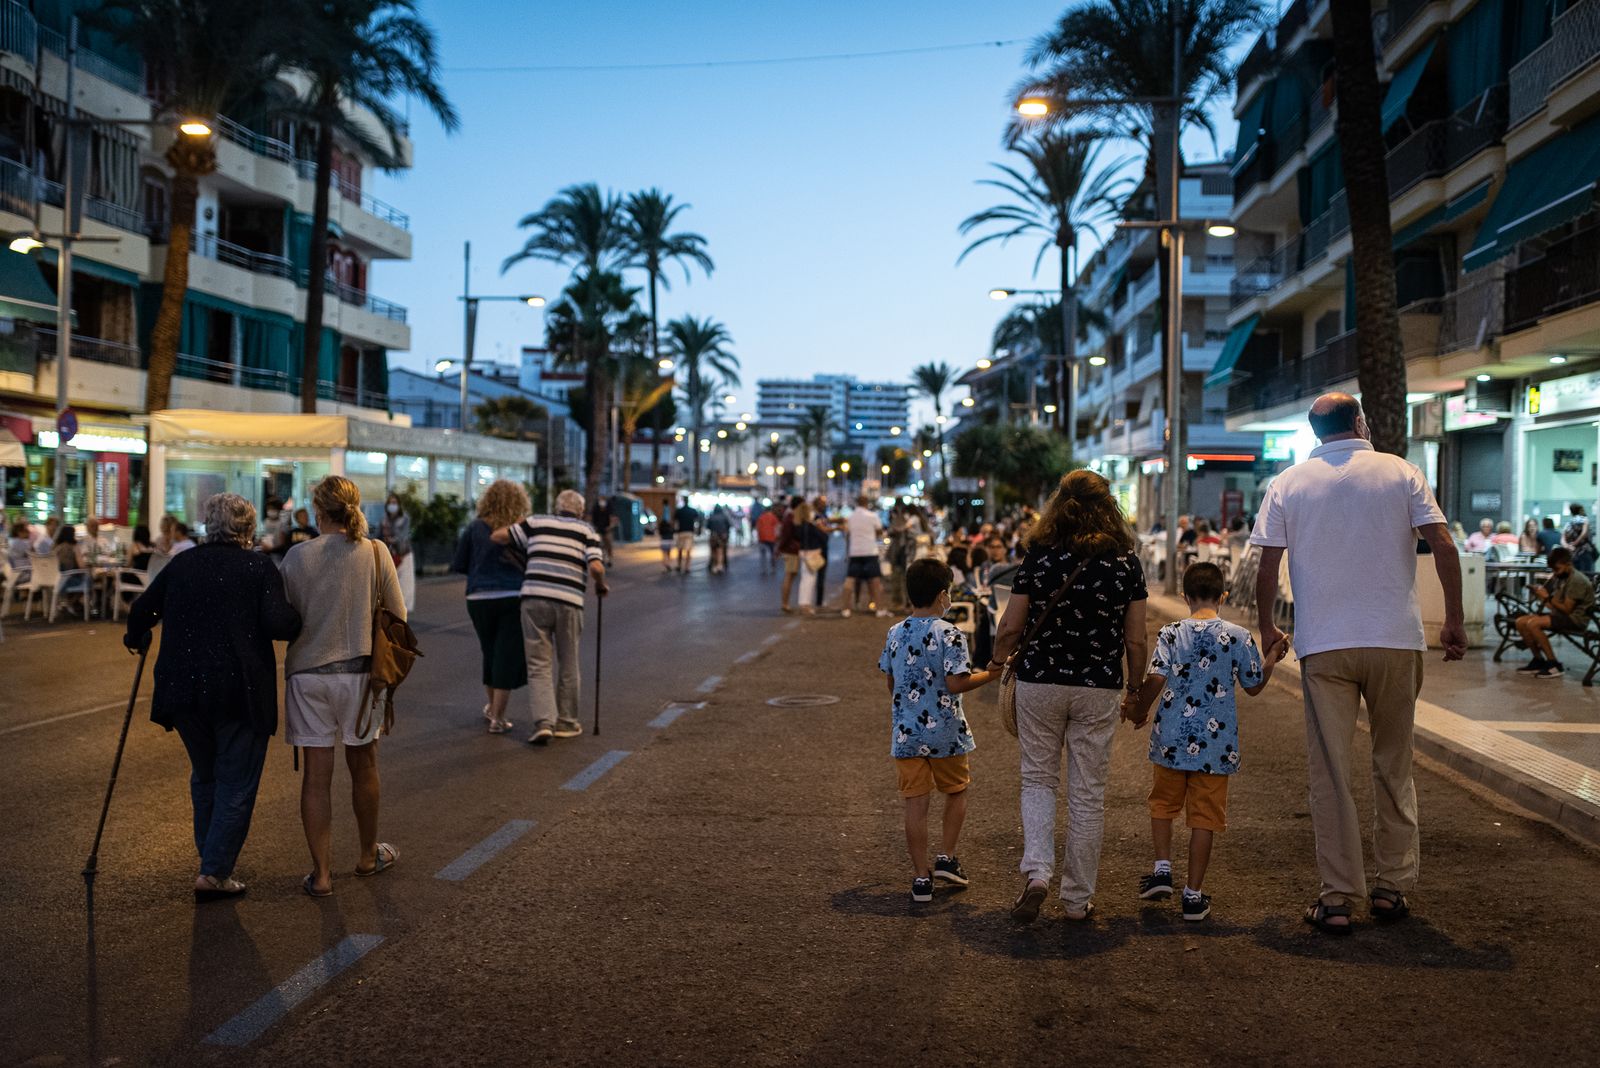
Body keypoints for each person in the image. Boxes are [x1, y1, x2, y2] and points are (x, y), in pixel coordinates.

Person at [1251, 393, 1464, 935]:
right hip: (1396, 640)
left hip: (1325, 644)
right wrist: (1454, 620)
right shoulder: (1401, 472)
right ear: (1361, 422)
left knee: (1331, 772)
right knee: (1394, 761)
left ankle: (1340, 897)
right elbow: (1442, 543)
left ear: (1315, 430)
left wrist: (1268, 627)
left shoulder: (1289, 482)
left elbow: (1267, 564)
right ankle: (1392, 887)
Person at [985, 469, 1149, 925]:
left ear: (1059, 504)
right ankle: (1077, 899)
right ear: (1109, 507)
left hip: (1040, 682)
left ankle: (1038, 873)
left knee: (1038, 779)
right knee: (1088, 795)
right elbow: (1136, 641)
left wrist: (999, 662)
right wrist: (1136, 691)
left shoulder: (1039, 556)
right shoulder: (1125, 563)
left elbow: (1010, 626)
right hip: (1097, 686)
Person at [124, 493, 302, 901]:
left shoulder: (183, 564)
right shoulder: (259, 567)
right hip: (239, 690)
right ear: (248, 528)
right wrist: (298, 619)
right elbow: (279, 623)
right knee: (237, 779)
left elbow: (142, 609)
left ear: (209, 524)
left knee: (205, 774)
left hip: (183, 690)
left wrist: (136, 637)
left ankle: (211, 859)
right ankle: (214, 870)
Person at [1122, 563, 1287, 921]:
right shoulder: (1238, 636)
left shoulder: (1171, 633)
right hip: (1215, 745)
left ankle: (1162, 869)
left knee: (1163, 804)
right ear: (1223, 596)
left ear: (1184, 596)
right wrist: (1271, 657)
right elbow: (1254, 685)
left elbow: (1155, 678)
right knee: (1204, 818)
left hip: (1170, 739)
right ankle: (1193, 896)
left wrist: (1138, 709)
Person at [280, 476, 406, 898]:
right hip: (362, 676)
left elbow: (284, 619)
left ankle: (321, 875)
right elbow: (398, 615)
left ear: (318, 510)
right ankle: (369, 856)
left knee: (316, 777)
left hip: (308, 675)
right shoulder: (374, 551)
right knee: (364, 767)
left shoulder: (296, 557)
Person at [879, 557, 996, 904]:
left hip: (906, 733)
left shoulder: (895, 632)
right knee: (956, 791)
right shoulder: (950, 633)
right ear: (943, 595)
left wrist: (908, 707)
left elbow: (891, 680)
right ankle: (946, 858)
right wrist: (992, 674)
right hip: (946, 732)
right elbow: (957, 682)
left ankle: (920, 878)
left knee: (914, 805)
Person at [492, 488, 607, 745]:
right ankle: (566, 722)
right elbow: (597, 566)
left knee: (538, 665)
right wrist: (600, 584)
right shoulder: (587, 530)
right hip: (569, 602)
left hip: (533, 598)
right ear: (579, 510)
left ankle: (544, 722)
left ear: (557, 507)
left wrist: (520, 524)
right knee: (568, 662)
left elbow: (499, 536)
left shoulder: (536, 522)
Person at [453, 480, 531, 733]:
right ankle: (498, 717)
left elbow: (460, 562)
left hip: (478, 598)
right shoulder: (520, 529)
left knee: (490, 652)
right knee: (506, 656)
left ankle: (492, 708)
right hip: (513, 596)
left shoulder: (475, 527)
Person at [1512, 547, 1595, 679]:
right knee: (1520, 622)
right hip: (1563, 616)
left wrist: (1546, 597)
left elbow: (1567, 609)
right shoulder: (1562, 578)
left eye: (1557, 569)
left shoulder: (1577, 580)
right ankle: (1538, 660)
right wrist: (1541, 595)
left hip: (1576, 619)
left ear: (1568, 564)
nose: (1555, 573)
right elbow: (1553, 606)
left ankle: (1553, 664)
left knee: (1533, 624)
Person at [841, 494, 889, 618]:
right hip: (870, 551)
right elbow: (879, 532)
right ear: (867, 503)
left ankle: (846, 609)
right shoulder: (872, 516)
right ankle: (879, 609)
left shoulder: (850, 517)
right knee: (875, 581)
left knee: (849, 580)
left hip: (855, 552)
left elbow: (847, 533)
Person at [378, 492, 415, 614]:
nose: (392, 505)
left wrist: (391, 538)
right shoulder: (384, 519)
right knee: (390, 586)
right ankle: (392, 610)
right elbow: (379, 536)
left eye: (394, 503)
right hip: (390, 556)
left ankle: (401, 613)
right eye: (390, 503)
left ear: (398, 505)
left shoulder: (404, 519)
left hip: (403, 555)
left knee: (404, 586)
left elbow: (402, 536)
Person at [794, 501, 829, 616]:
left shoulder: (799, 525)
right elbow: (823, 537)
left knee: (805, 580)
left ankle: (804, 604)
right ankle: (805, 605)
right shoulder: (810, 525)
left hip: (804, 553)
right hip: (811, 554)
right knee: (808, 581)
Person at [777, 497, 803, 613]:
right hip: (791, 550)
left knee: (791, 576)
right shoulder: (791, 517)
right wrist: (780, 548)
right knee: (789, 576)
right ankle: (785, 603)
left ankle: (786, 603)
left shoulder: (791, 516)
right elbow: (786, 535)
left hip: (791, 549)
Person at [1563, 503, 1595, 572]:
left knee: (1575, 575)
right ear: (1580, 510)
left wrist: (1568, 546)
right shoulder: (1585, 519)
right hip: (1584, 552)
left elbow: (1562, 539)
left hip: (1573, 554)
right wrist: (1576, 543)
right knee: (1588, 575)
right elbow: (1584, 533)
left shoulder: (1568, 523)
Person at [672, 495, 700, 574]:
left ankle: (679, 565)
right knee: (688, 551)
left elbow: (675, 521)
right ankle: (687, 567)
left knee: (680, 550)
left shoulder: (679, 510)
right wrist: (697, 531)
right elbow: (697, 521)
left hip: (681, 532)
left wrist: (675, 530)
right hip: (689, 532)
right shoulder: (693, 511)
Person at [705, 504, 732, 575]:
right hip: (722, 537)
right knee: (720, 551)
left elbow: (708, 526)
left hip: (713, 536)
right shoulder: (724, 516)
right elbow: (729, 525)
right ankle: (720, 566)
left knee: (713, 552)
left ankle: (714, 566)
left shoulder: (712, 516)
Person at [590, 495, 617, 565]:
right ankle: (602, 558)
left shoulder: (609, 508)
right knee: (599, 544)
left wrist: (610, 526)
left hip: (607, 528)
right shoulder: (595, 508)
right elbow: (592, 518)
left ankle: (610, 559)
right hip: (598, 528)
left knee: (608, 543)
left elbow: (612, 518)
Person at [754, 504, 780, 575]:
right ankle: (773, 569)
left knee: (763, 555)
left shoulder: (761, 517)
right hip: (772, 538)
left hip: (762, 538)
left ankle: (764, 570)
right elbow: (777, 528)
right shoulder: (773, 517)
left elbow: (758, 528)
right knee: (772, 554)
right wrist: (777, 537)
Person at [656, 506, 675, 572]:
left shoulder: (661, 525)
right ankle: (668, 564)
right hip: (669, 539)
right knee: (668, 553)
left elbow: (660, 532)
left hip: (664, 540)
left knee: (664, 554)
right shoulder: (670, 524)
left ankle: (666, 565)